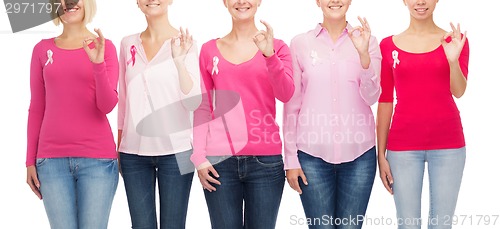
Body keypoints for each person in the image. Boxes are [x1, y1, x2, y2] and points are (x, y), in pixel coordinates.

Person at [191, 0, 295, 228]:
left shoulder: (277, 47)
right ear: (225, 2)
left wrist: (270, 56)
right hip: (219, 162)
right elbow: (203, 106)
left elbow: (286, 94)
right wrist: (198, 156)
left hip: (266, 162)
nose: (241, 2)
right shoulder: (209, 50)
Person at [283, 0, 380, 228]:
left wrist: (364, 56)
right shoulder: (300, 44)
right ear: (318, 1)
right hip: (311, 156)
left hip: (360, 156)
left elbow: (372, 97)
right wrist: (290, 159)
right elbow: (292, 104)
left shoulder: (369, 41)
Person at [25, 0, 119, 228]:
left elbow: (107, 106)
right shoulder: (41, 49)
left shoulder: (105, 47)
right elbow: (37, 106)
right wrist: (30, 160)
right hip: (51, 162)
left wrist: (97, 64)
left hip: (98, 161)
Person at [377, 0, 469, 228]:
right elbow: (385, 100)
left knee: (441, 224)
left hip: (449, 145)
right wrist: (381, 154)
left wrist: (453, 60)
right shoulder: (388, 45)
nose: (420, 2)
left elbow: (459, 91)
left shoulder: (454, 41)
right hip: (402, 148)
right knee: (407, 224)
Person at [117, 0, 201, 228]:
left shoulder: (186, 44)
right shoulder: (127, 44)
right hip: (133, 155)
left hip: (176, 153)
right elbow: (123, 101)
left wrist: (179, 63)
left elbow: (194, 102)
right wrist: (119, 147)